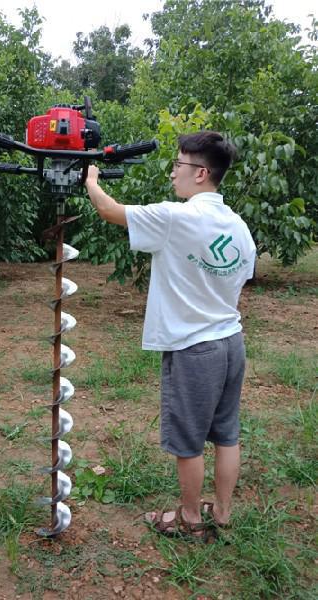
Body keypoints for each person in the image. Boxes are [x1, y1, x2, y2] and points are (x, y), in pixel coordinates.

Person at [84, 131, 256, 541]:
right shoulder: (238, 227)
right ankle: (223, 513)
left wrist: (90, 179)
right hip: (231, 342)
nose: (172, 173)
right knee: (227, 434)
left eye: (178, 165)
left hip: (195, 349)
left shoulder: (176, 218)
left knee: (188, 442)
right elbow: (240, 278)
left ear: (201, 173)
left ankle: (190, 519)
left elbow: (109, 210)